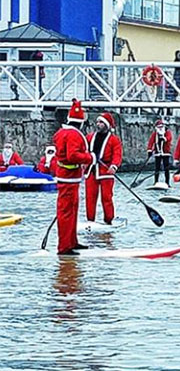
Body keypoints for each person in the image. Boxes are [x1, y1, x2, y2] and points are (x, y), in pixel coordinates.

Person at [52, 99, 96, 255]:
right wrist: (90, 158)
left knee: (72, 211)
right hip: (68, 179)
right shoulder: (73, 135)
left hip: (69, 179)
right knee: (66, 213)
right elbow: (72, 156)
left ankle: (72, 241)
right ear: (81, 122)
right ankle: (64, 247)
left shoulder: (61, 133)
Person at [85, 112, 123, 224]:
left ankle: (109, 220)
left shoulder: (114, 140)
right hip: (91, 171)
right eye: (97, 122)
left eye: (101, 122)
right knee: (90, 198)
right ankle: (90, 221)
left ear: (107, 125)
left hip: (105, 171)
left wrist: (114, 166)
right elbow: (84, 151)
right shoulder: (89, 137)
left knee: (106, 198)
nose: (98, 124)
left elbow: (117, 154)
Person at [147, 119, 173, 186]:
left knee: (166, 168)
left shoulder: (167, 132)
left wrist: (164, 139)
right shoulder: (155, 134)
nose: (160, 128)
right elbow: (151, 142)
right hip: (157, 153)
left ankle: (167, 182)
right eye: (159, 127)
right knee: (157, 168)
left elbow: (169, 138)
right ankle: (156, 181)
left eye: (161, 127)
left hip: (165, 153)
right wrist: (149, 150)